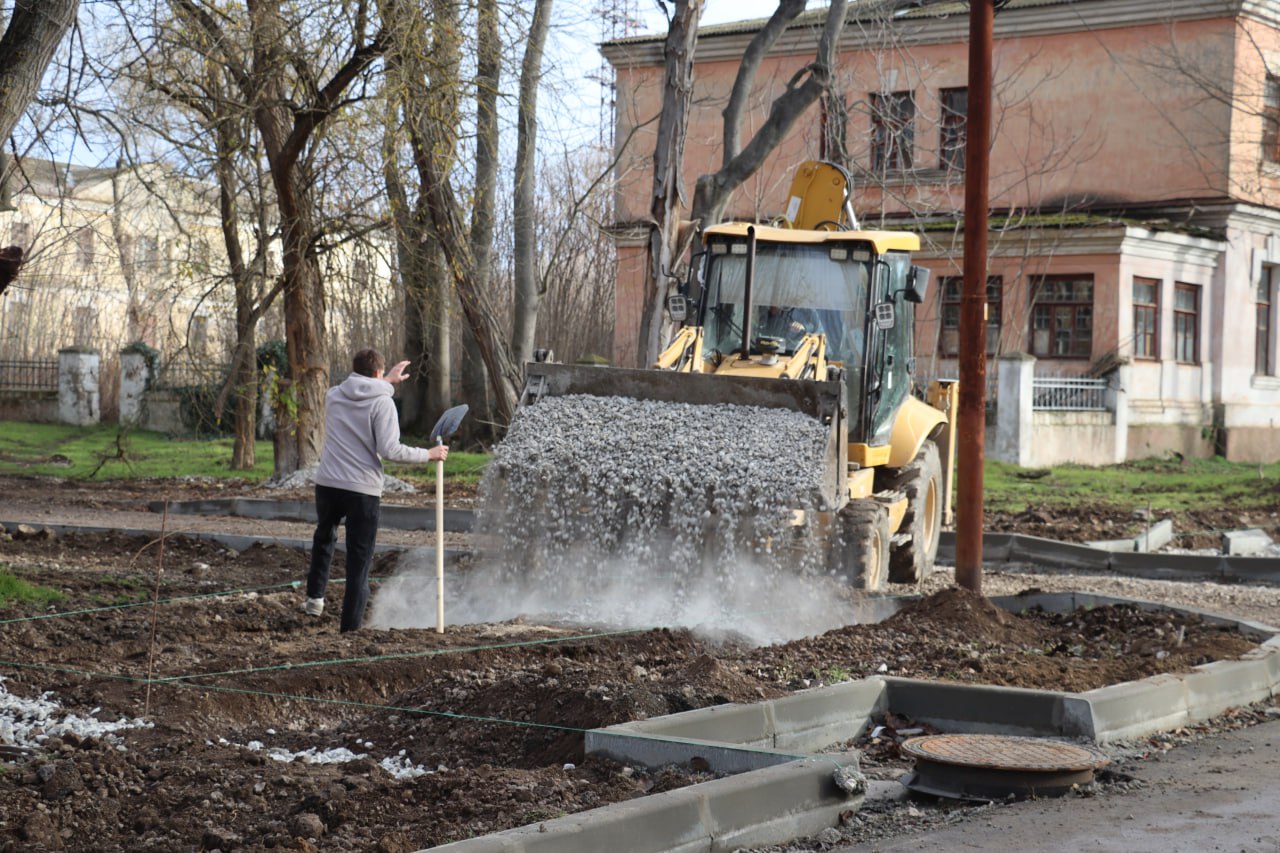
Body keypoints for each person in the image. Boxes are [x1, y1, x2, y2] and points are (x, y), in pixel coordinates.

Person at [303, 348, 449, 632]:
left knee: (324, 536)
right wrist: (428, 454)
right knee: (359, 559)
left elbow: (362, 387)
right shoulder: (383, 405)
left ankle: (315, 598)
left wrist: (387, 382)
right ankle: (350, 629)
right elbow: (390, 449)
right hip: (362, 490)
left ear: (354, 370)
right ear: (379, 373)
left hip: (328, 483)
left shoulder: (333, 395)